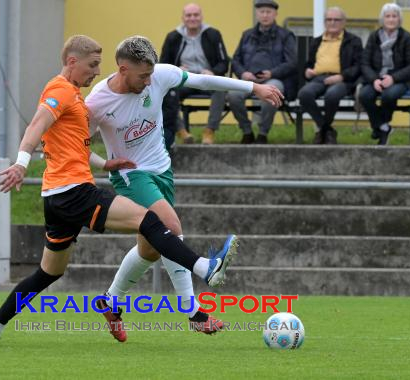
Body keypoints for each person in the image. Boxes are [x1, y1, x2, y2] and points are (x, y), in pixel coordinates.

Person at [0, 35, 240, 346]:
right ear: (72, 62)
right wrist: (20, 162)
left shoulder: (74, 95)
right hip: (74, 192)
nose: (97, 71)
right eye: (92, 65)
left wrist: (103, 164)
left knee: (47, 273)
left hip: (56, 198)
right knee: (152, 221)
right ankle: (205, 269)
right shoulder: (59, 90)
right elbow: (36, 126)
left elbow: (72, 145)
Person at [86, 36, 284, 342]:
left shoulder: (159, 75)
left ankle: (110, 301)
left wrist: (253, 88)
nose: (149, 81)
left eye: (151, 74)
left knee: (150, 248)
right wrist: (102, 164)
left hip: (162, 171)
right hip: (131, 175)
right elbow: (73, 145)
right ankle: (194, 311)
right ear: (122, 69)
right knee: (171, 228)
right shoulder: (97, 101)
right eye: (142, 76)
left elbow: (205, 82)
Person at [227, 0, 297, 144]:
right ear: (257, 14)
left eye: (268, 12)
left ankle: (263, 133)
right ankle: (247, 131)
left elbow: (292, 63)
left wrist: (272, 73)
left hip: (274, 78)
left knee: (272, 92)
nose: (265, 15)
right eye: (262, 12)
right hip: (248, 79)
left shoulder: (286, 35)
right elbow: (235, 60)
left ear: (275, 14)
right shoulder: (247, 35)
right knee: (233, 95)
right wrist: (243, 74)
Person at [160, 3, 230, 146]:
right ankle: (181, 131)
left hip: (207, 79)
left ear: (201, 17)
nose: (192, 18)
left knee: (221, 88)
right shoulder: (173, 37)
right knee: (165, 91)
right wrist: (177, 70)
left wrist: (213, 72)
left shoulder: (213, 34)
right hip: (184, 80)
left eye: (196, 15)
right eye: (189, 15)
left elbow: (224, 62)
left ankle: (209, 130)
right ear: (183, 18)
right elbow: (163, 64)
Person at [298, 7, 363, 144]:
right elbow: (308, 63)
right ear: (325, 22)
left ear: (344, 22)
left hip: (342, 80)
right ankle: (326, 129)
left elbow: (358, 66)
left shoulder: (353, 41)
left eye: (336, 20)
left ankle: (322, 132)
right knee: (304, 94)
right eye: (329, 19)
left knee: (332, 95)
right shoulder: (316, 41)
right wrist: (307, 71)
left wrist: (342, 76)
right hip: (318, 78)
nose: (332, 22)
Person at [359, 2, 410, 145]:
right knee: (364, 95)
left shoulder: (408, 38)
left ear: (399, 19)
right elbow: (365, 63)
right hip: (377, 77)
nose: (391, 19)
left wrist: (393, 78)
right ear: (382, 19)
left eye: (394, 16)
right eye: (388, 16)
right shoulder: (374, 37)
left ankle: (379, 127)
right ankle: (382, 126)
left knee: (389, 95)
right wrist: (374, 79)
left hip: (401, 79)